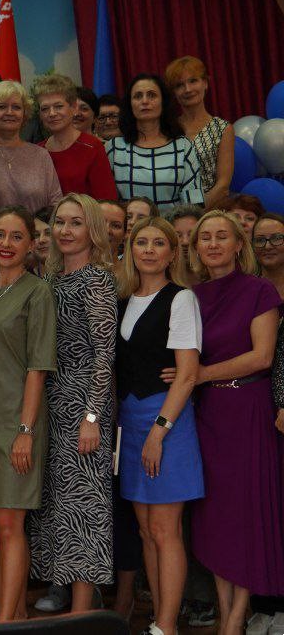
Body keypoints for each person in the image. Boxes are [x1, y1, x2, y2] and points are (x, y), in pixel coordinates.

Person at [188, 211, 284, 631]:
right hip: (208, 414)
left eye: (221, 236)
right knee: (215, 516)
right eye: (205, 237)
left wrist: (201, 374)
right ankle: (229, 615)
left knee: (245, 514)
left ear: (238, 244)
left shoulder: (260, 290)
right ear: (196, 248)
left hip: (248, 410)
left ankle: (233, 620)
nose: (213, 244)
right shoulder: (190, 297)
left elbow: (262, 356)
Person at [0, 207, 57, 622]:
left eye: (16, 236)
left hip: (18, 423)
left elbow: (38, 367)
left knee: (9, 527)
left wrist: (25, 430)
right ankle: (15, 618)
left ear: (30, 245)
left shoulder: (37, 293)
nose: (6, 244)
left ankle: (4, 625)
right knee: (0, 527)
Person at [116, 216, 204, 635]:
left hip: (166, 422)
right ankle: (158, 620)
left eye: (158, 243)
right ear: (130, 250)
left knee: (166, 530)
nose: (148, 250)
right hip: (130, 420)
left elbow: (186, 375)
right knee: (146, 530)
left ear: (172, 253)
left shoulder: (181, 299)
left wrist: (159, 430)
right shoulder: (122, 299)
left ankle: (167, 625)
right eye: (141, 242)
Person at [30, 194, 118, 611]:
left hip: (84, 407)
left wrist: (92, 416)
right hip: (52, 405)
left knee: (85, 508)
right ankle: (66, 600)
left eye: (76, 223)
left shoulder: (97, 280)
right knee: (58, 509)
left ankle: (83, 615)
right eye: (60, 222)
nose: (65, 231)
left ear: (93, 230)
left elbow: (104, 353)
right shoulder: (51, 281)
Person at [107, 74, 203, 210]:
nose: (145, 101)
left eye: (151, 95)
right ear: (130, 104)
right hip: (129, 223)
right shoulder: (114, 148)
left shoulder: (182, 146)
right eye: (138, 96)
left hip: (172, 223)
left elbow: (194, 203)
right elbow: (107, 203)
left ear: (163, 102)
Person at [31, 74, 116, 201]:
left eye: (58, 106)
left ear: (73, 107)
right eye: (45, 109)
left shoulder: (92, 147)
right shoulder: (38, 151)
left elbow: (107, 201)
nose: (52, 113)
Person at [0, 81, 62, 213]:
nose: (10, 112)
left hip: (38, 226)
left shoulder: (41, 155)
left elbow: (56, 203)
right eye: (2, 107)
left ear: (24, 114)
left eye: (16, 107)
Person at [166, 56, 233, 207]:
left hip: (210, 212)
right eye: (179, 85)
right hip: (172, 211)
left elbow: (223, 186)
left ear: (205, 83)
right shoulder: (168, 128)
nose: (188, 89)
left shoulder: (222, 128)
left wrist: (194, 213)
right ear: (174, 92)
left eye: (193, 81)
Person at [252, 214, 284, 435]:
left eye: (277, 238)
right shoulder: (245, 289)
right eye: (260, 240)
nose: (268, 246)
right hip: (256, 397)